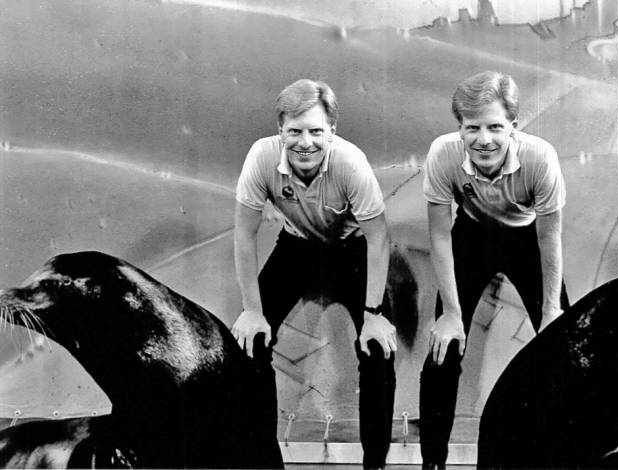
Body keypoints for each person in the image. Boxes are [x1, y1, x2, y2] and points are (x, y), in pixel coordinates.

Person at [231, 79, 398, 470]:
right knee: (249, 343)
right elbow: (244, 234)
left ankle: (374, 464)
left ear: (332, 132)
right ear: (280, 131)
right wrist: (252, 310)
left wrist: (374, 314)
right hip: (296, 249)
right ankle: (263, 462)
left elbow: (379, 238)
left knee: (377, 350)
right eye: (295, 131)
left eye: (316, 132)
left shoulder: (349, 162)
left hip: (352, 250)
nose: (305, 143)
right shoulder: (261, 157)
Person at [418, 70, 570, 469]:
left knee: (563, 346)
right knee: (443, 348)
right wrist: (451, 314)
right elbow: (438, 236)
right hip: (471, 235)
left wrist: (551, 309)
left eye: (495, 127)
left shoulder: (540, 157)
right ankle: (432, 462)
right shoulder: (442, 154)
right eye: (473, 128)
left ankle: (567, 455)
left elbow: (549, 237)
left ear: (513, 128)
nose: (484, 139)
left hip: (526, 238)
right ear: (460, 128)